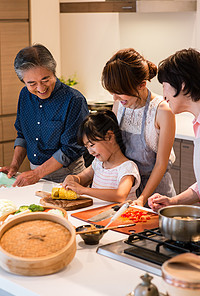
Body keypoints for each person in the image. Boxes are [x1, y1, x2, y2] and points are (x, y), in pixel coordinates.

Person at [0, 44, 89, 186]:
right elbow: (22, 134)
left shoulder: (74, 100)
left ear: (54, 72)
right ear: (23, 81)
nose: (41, 88)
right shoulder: (24, 95)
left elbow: (70, 149)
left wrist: (37, 174)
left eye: (45, 80)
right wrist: (14, 166)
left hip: (69, 177)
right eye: (32, 84)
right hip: (35, 176)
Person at [101, 48, 176, 206]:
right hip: (126, 190)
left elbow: (161, 164)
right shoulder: (119, 105)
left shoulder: (162, 111)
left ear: (142, 84)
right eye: (112, 92)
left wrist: (142, 198)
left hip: (155, 196)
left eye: (120, 92)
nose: (115, 97)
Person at [148, 48, 200, 211]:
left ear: (182, 84)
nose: (163, 96)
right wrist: (173, 201)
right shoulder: (197, 123)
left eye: (165, 85)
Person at [62, 110, 140, 202]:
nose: (90, 152)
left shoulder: (127, 167)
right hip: (96, 213)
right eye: (87, 147)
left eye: (91, 145)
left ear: (109, 136)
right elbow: (81, 178)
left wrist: (84, 190)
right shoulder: (98, 163)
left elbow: (120, 195)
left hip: (118, 215)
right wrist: (71, 178)